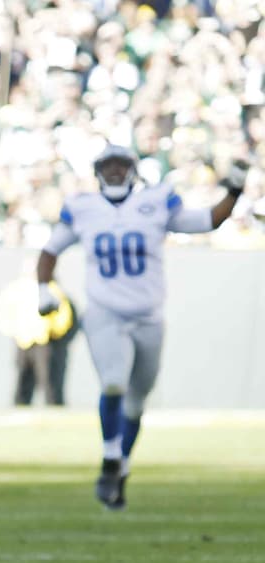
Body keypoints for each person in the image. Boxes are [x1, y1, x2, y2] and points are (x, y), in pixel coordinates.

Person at [37, 144, 247, 510]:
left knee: (136, 403)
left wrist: (234, 191)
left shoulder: (156, 201)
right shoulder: (83, 207)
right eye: (109, 166)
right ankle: (109, 460)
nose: (115, 171)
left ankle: (121, 467)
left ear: (133, 170)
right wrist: (43, 287)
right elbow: (50, 251)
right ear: (98, 171)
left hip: (148, 315)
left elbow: (208, 220)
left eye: (122, 165)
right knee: (114, 381)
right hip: (104, 311)